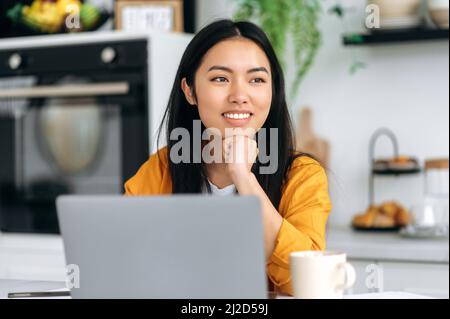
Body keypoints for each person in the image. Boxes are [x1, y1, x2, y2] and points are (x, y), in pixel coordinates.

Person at [124, 19, 331, 296]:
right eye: (220, 78)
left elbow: (308, 281)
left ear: (273, 90)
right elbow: (121, 263)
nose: (239, 96)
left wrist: (244, 178)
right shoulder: (161, 169)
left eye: (256, 79)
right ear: (190, 91)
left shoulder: (303, 174)